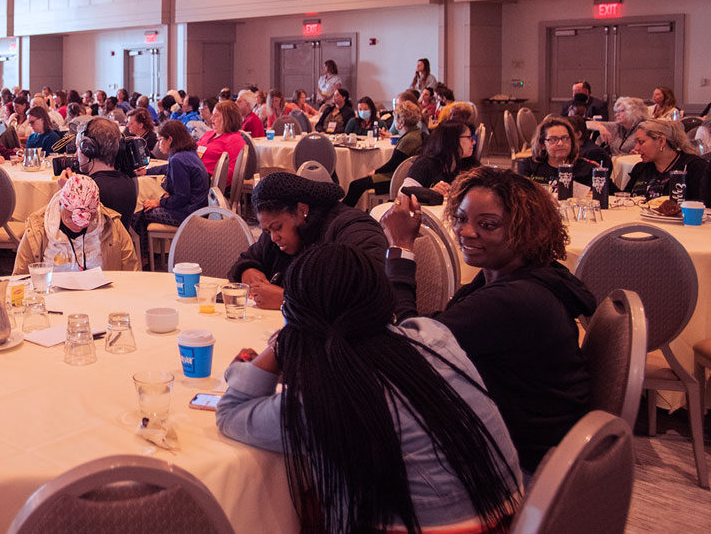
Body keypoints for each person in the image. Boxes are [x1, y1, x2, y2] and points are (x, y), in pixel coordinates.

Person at [217, 245, 520, 534]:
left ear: (295, 316)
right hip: (510, 514)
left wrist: (283, 345)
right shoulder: (431, 336)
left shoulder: (328, 396)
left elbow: (231, 413)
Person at [381, 167, 596, 473]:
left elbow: (411, 350)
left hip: (519, 462)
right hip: (521, 435)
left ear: (526, 230)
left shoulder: (514, 300)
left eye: (488, 225)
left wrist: (401, 249)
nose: (466, 232)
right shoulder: (523, 275)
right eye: (462, 219)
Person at [229, 172, 386, 309]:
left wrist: (288, 300)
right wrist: (247, 270)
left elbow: (366, 292)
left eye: (277, 228)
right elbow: (247, 259)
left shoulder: (352, 228)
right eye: (267, 231)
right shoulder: (275, 232)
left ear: (302, 210)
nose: (273, 237)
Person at [13, 173, 138, 274]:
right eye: (70, 217)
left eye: (87, 217)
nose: (78, 225)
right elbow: (20, 276)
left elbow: (131, 273)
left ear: (97, 208)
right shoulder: (38, 229)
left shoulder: (112, 226)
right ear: (61, 204)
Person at [133, 121, 209, 264]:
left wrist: (159, 202)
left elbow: (181, 198)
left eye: (160, 140)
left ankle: (144, 259)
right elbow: (167, 168)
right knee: (144, 210)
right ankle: (147, 257)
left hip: (188, 213)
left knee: (140, 214)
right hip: (198, 207)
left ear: (170, 139)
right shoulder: (187, 153)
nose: (158, 144)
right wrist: (146, 172)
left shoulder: (178, 159)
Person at [60, 118, 138, 228]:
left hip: (94, 245)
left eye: (79, 147)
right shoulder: (129, 181)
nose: (76, 155)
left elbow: (74, 231)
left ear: (89, 149)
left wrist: (68, 191)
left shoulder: (90, 190)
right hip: (121, 244)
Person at [343, 101, 424, 207]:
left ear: (401, 121)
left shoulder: (408, 139)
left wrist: (376, 171)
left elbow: (393, 164)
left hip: (396, 178)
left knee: (356, 185)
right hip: (402, 175)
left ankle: (341, 213)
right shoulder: (416, 134)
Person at [624, 118, 708, 203]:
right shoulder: (641, 168)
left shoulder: (694, 168)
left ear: (661, 141)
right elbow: (624, 198)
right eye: (636, 143)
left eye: (641, 142)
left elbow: (703, 206)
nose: (636, 148)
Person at [518, 117, 602, 189]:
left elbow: (612, 194)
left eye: (565, 138)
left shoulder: (587, 168)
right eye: (553, 139)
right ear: (542, 144)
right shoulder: (529, 166)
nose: (560, 143)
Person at [403, 120, 479, 195]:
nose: (473, 142)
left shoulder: (470, 164)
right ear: (452, 140)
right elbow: (404, 192)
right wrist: (431, 192)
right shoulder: (425, 164)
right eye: (469, 137)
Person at [197, 101, 248, 186]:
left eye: (216, 116)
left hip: (206, 182)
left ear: (228, 118)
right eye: (212, 114)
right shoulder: (209, 134)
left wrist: (212, 181)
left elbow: (233, 172)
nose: (211, 118)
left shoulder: (234, 140)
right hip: (193, 173)